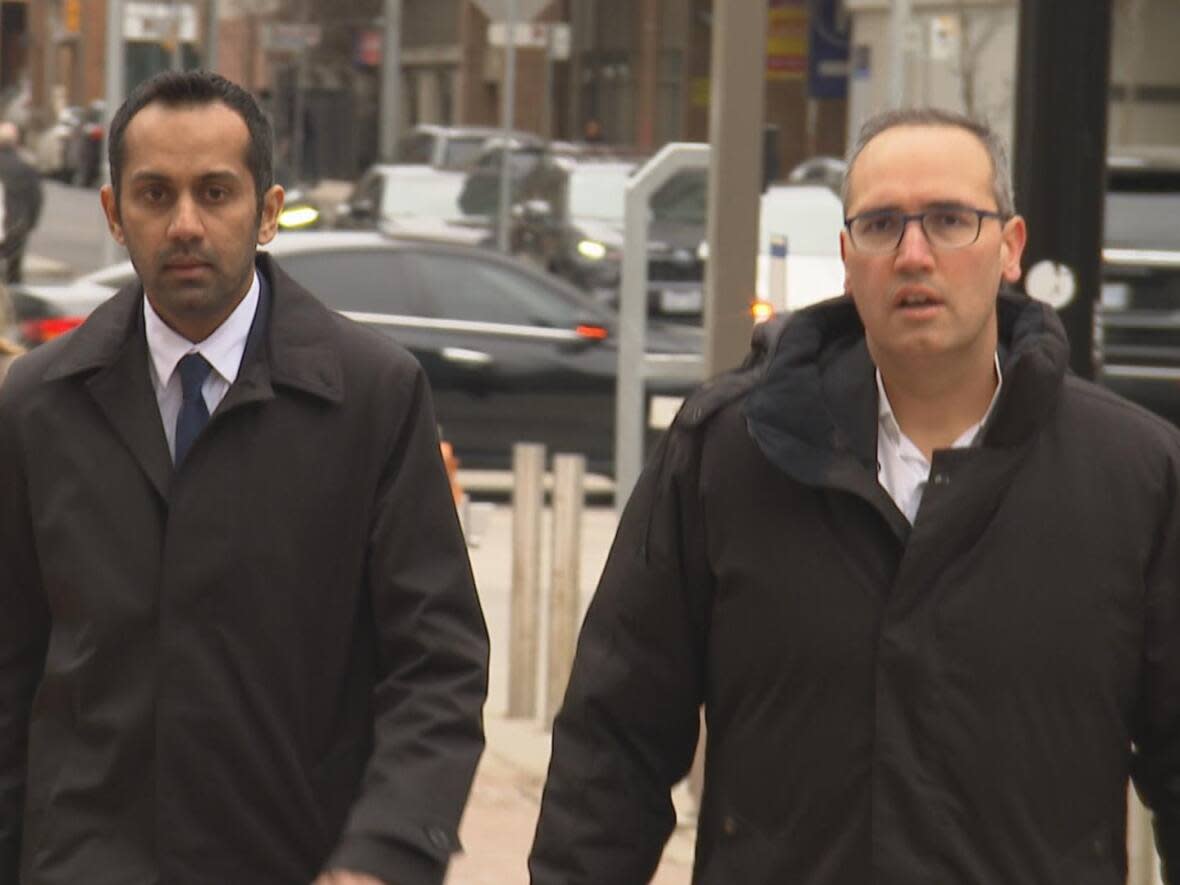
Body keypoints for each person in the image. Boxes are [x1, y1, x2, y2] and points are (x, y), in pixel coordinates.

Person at [529, 107, 1180, 883]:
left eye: (948, 220)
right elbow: (613, 749)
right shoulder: (729, 456)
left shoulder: (1133, 475)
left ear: (1009, 249)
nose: (913, 253)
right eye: (880, 225)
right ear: (846, 256)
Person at [0, 70, 489, 885]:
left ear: (266, 212)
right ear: (116, 216)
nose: (185, 223)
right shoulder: (39, 406)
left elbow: (437, 665)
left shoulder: (372, 396)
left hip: (297, 861)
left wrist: (385, 852)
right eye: (155, 194)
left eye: (215, 192)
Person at [0, 121, 44, 283]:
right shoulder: (25, 167)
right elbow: (36, 198)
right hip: (17, 225)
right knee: (13, 271)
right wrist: (31, 222)